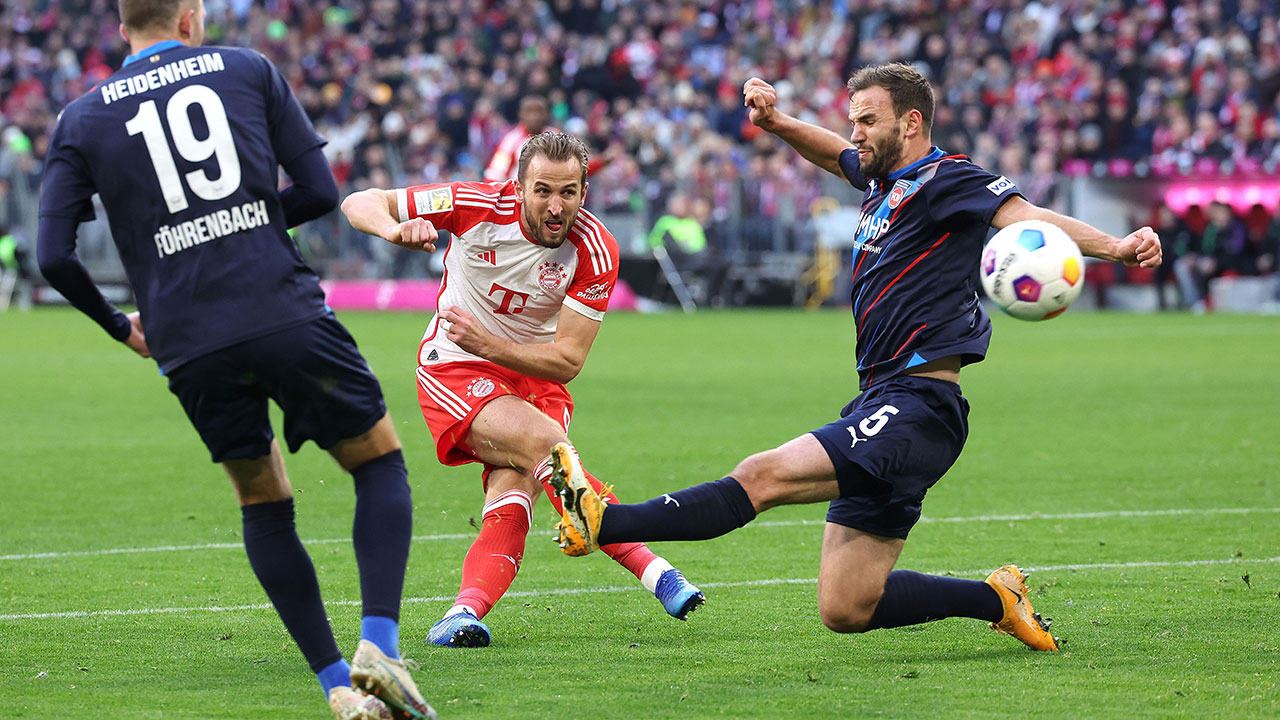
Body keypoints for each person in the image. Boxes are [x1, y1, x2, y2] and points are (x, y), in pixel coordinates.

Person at [547, 63, 1163, 652]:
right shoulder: (883, 182)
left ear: (912, 122)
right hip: (882, 400)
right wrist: (777, 122)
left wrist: (1116, 247)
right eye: (854, 120)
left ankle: (604, 521)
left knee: (762, 476)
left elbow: (1027, 219)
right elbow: (831, 153)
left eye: (868, 121)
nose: (856, 134)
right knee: (847, 607)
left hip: (920, 405)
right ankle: (995, 600)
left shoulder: (951, 179)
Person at [36, 2, 435, 718]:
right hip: (279, 308)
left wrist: (119, 323)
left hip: (187, 340)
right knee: (378, 464)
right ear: (190, 16)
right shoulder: (246, 69)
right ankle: (380, 644)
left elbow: (52, 256)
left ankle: (339, 691)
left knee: (263, 500)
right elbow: (318, 189)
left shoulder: (82, 118)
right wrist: (240, 232)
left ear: (124, 26)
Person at [340, 131, 705, 648]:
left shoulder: (595, 250)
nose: (556, 207)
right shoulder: (473, 204)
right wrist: (391, 229)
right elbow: (359, 201)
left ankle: (463, 613)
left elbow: (566, 361)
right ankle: (654, 569)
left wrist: (488, 341)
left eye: (569, 193)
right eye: (542, 191)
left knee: (513, 490)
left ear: (584, 190)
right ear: (518, 186)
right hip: (456, 367)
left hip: (534, 375)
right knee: (549, 451)